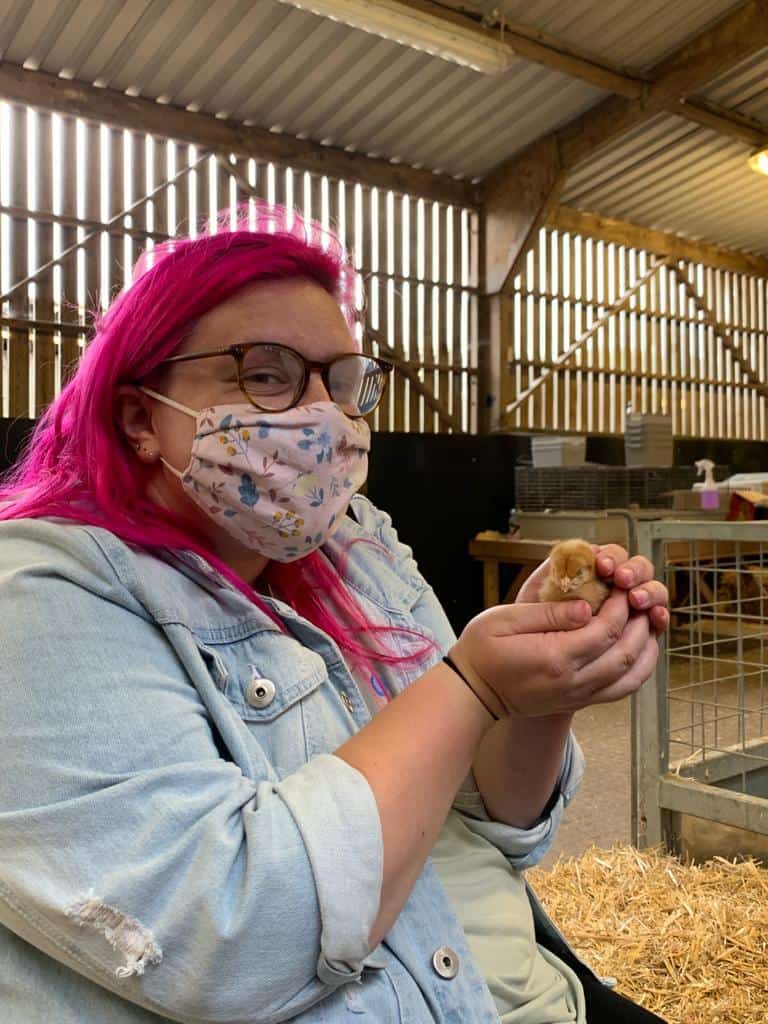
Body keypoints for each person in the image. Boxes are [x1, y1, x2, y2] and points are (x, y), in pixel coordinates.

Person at [0, 204, 670, 1024]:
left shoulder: (359, 550)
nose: (323, 416)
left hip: (527, 994)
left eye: (341, 381)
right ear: (142, 416)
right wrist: (473, 687)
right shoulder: (41, 594)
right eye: (267, 373)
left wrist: (542, 693)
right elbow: (239, 937)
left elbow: (492, 821)